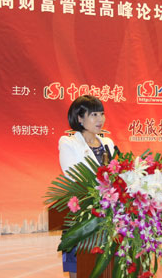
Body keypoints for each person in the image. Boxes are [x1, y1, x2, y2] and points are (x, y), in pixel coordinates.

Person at [58, 95, 116, 277]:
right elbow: (74, 176)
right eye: (94, 114)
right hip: (82, 217)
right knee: (80, 269)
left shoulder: (108, 144)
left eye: (102, 114)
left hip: (108, 218)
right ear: (80, 118)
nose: (100, 119)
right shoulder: (68, 143)